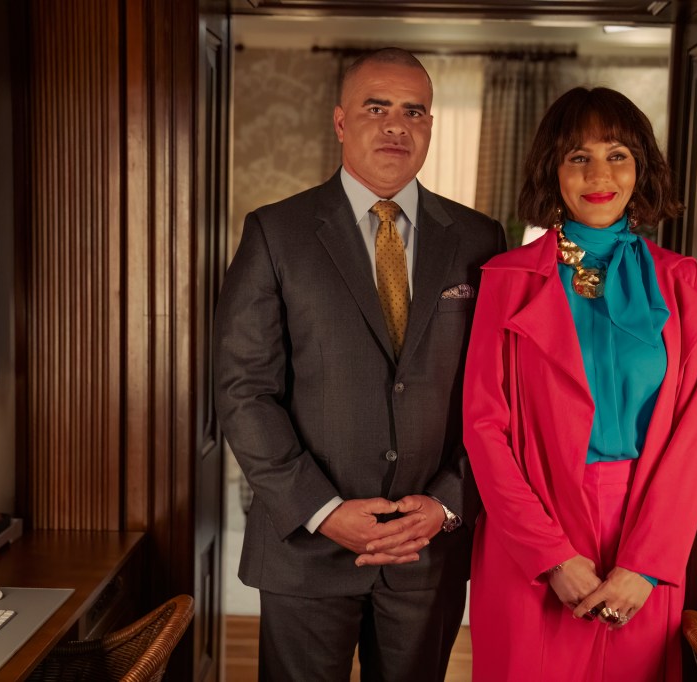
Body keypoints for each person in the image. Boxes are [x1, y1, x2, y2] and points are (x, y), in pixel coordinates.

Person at [214, 47, 505, 681]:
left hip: (425, 549)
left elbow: (498, 395)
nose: (397, 125)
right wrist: (323, 511)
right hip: (306, 544)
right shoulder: (275, 232)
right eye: (378, 107)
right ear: (342, 121)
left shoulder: (482, 240)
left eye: (414, 111)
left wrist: (449, 503)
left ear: (430, 126)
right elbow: (244, 391)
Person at [463, 86, 697, 681]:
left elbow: (693, 437)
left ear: (641, 169)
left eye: (618, 155)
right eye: (578, 157)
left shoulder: (681, 282)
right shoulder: (506, 279)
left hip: (643, 536)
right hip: (530, 536)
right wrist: (549, 556)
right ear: (552, 171)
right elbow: (483, 429)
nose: (599, 174)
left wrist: (648, 565)